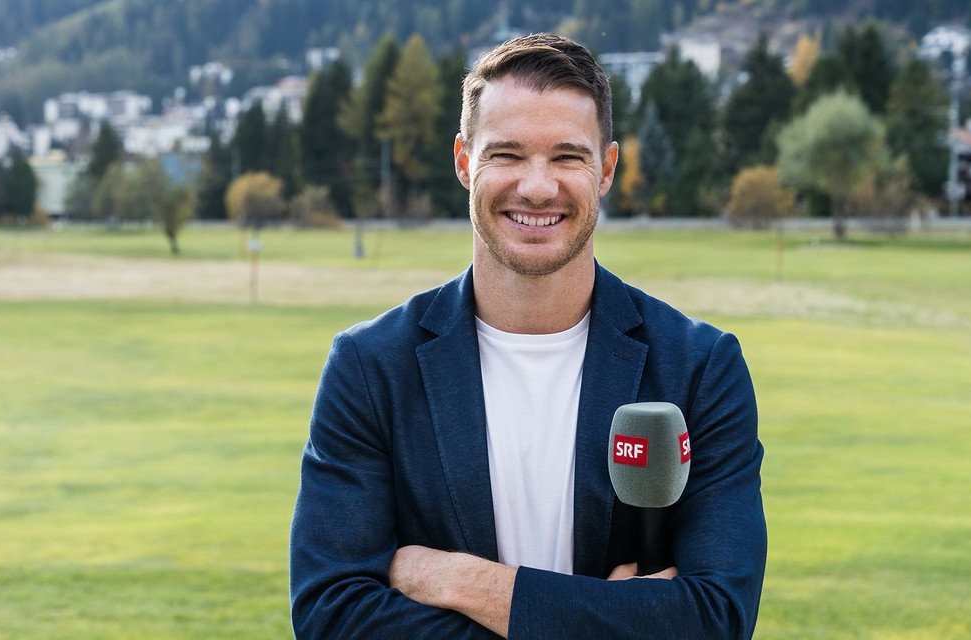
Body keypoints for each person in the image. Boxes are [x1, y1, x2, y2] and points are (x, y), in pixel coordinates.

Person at [289, 32, 766, 639]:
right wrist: (613, 619)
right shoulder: (370, 367)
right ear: (464, 163)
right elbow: (330, 617)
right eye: (507, 155)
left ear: (607, 169)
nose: (537, 187)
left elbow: (715, 621)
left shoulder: (701, 369)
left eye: (567, 156)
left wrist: (464, 582)